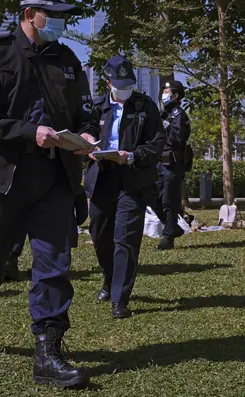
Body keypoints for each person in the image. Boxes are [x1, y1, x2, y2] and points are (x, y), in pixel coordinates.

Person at [0, 0, 97, 389]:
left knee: (54, 265)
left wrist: (85, 133)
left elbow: (85, 112)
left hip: (54, 178)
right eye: (52, 13)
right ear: (29, 13)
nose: (60, 21)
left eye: (63, 14)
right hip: (4, 177)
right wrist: (28, 132)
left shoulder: (68, 59)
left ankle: (48, 355)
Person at [86, 55, 166, 319]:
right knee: (100, 234)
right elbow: (83, 132)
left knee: (126, 240)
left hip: (132, 180)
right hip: (101, 178)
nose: (125, 90)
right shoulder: (96, 107)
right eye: (119, 85)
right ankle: (109, 279)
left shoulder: (146, 107)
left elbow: (156, 144)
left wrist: (131, 156)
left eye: (129, 84)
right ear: (108, 83)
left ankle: (120, 299)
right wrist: (87, 146)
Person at [151, 80, 191, 251]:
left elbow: (175, 139)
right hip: (159, 163)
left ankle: (168, 237)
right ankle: (172, 227)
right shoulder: (163, 113)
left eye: (167, 91)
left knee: (169, 200)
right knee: (152, 195)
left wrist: (161, 134)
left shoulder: (178, 115)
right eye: (163, 91)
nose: (164, 94)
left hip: (172, 164)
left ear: (175, 95)